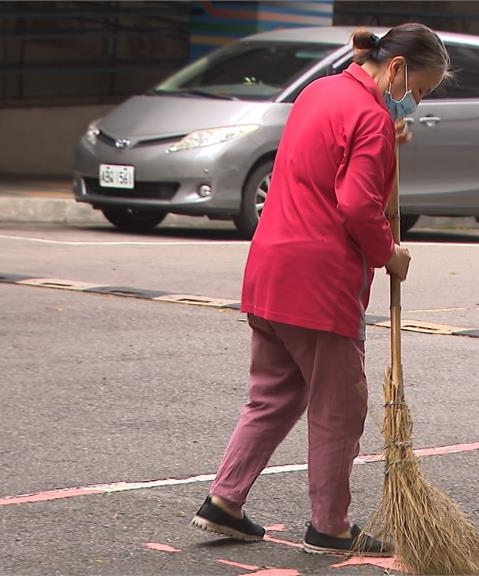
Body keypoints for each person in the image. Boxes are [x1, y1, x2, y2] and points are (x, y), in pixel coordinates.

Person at [191, 24, 450, 557]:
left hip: (270, 267)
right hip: (318, 282)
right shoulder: (373, 118)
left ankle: (225, 500)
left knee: (274, 395)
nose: (414, 104)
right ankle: (329, 525)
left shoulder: (320, 92)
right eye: (418, 91)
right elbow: (357, 203)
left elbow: (326, 156)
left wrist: (383, 138)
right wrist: (389, 255)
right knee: (339, 408)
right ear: (397, 70)